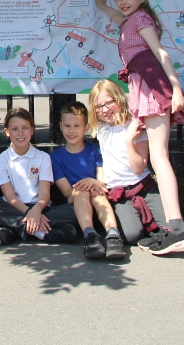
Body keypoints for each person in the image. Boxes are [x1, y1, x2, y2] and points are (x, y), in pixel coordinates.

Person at [94, 0, 184, 254]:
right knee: (158, 156)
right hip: (144, 85)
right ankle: (175, 226)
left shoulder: (140, 20)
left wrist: (176, 89)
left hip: (152, 84)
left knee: (159, 156)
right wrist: (103, 5)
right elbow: (120, 17)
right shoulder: (132, 20)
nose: (123, 3)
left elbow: (161, 54)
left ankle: (177, 227)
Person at [88, 79, 169, 250]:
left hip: (143, 185)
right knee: (132, 236)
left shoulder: (134, 126)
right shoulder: (101, 129)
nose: (105, 110)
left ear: (119, 99)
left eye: (109, 102)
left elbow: (139, 167)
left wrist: (129, 140)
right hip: (119, 191)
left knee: (166, 228)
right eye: (99, 106)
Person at [0, 108, 78, 245]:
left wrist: (36, 211)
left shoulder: (43, 157)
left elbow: (45, 195)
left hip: (41, 207)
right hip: (15, 208)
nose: (20, 133)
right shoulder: (0, 160)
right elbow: (10, 198)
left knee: (75, 209)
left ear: (32, 130)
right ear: (7, 132)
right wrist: (28, 213)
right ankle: (40, 232)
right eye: (15, 129)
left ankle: (14, 230)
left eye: (25, 128)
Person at [50, 101, 125, 260]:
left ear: (87, 127)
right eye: (67, 126)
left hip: (97, 196)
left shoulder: (95, 150)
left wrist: (91, 181)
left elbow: (101, 182)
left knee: (98, 193)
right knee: (82, 192)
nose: (71, 131)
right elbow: (67, 192)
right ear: (61, 126)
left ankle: (112, 235)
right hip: (73, 202)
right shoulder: (56, 157)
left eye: (77, 126)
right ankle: (90, 236)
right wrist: (87, 184)